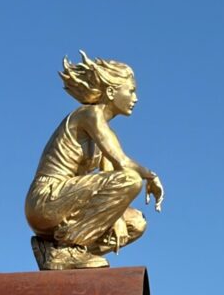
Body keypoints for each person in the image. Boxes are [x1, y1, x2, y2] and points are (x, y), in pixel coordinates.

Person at [25, 51, 164, 270]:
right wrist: (151, 176)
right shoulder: (89, 115)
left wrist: (114, 216)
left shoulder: (108, 133)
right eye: (131, 91)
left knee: (135, 224)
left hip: (69, 202)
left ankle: (56, 250)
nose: (135, 98)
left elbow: (110, 177)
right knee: (132, 180)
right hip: (46, 198)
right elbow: (124, 165)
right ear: (111, 91)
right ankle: (67, 249)